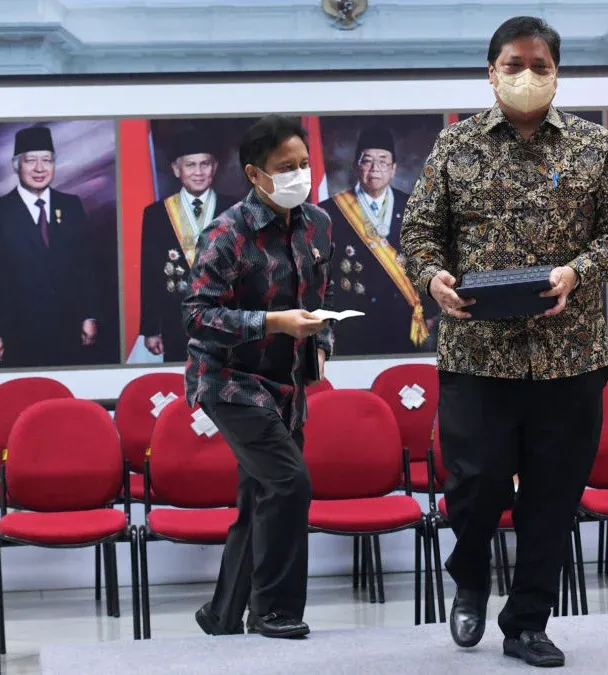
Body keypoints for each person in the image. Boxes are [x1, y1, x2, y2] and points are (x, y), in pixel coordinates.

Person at [400, 16, 608, 668]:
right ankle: (470, 573)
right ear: (491, 71)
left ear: (557, 72)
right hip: (478, 354)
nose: (526, 76)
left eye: (539, 64)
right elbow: (418, 233)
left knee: (551, 495)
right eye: (513, 64)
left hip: (571, 356)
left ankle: (527, 620)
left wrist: (578, 272)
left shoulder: (594, 146)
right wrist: (432, 276)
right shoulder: (456, 146)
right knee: (475, 485)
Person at [183, 114, 335, 640]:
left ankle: (221, 615)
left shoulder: (319, 222)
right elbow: (196, 316)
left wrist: (323, 339)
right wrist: (271, 322)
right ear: (254, 174)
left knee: (262, 496)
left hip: (287, 384)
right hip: (230, 382)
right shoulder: (226, 233)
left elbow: (318, 299)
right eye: (285, 167)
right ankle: (273, 610)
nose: (299, 174)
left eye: (304, 164)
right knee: (290, 484)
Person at [0, 125, 98, 368]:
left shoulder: (71, 205)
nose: (40, 169)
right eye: (31, 161)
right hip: (17, 335)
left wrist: (89, 315)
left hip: (68, 331)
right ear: (16, 165)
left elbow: (86, 267)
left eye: (47, 160)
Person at [319, 126, 438, 356]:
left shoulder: (413, 207)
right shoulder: (330, 211)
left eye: (383, 161)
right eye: (368, 161)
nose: (375, 169)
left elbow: (428, 258)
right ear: (356, 166)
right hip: (351, 323)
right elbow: (320, 271)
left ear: (393, 169)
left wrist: (429, 311)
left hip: (401, 319)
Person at [139, 128, 239, 362]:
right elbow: (150, 273)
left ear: (214, 167)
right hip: (176, 320)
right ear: (176, 169)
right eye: (190, 165)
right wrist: (151, 328)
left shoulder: (234, 209)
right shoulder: (156, 214)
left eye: (205, 164)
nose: (198, 172)